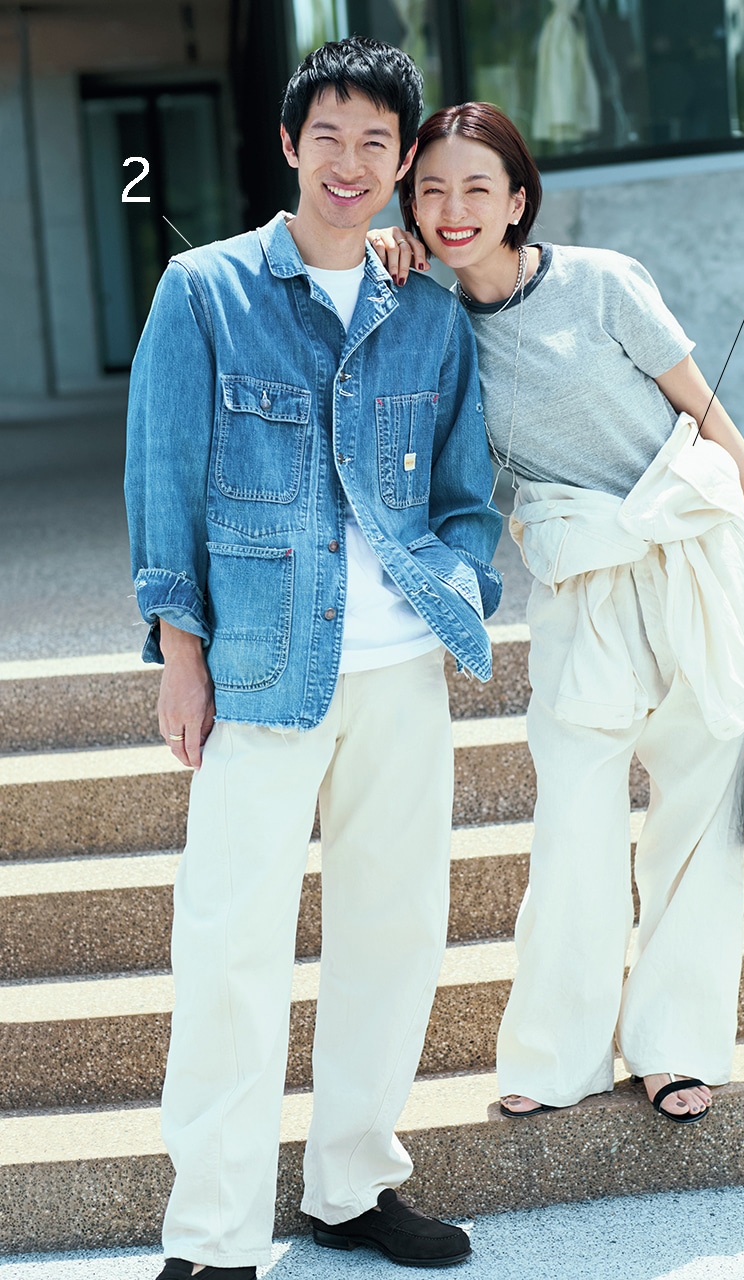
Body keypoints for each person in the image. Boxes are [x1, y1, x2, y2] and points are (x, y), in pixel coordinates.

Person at [125, 43, 502, 1279]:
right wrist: (181, 656)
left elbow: (465, 496)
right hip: (266, 667)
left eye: (377, 146)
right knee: (231, 948)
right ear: (289, 146)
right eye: (329, 137)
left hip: (400, 672)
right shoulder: (204, 289)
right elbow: (161, 485)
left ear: (401, 167)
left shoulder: (428, 309)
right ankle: (215, 1237)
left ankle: (351, 1187)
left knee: (395, 936)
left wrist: (456, 584)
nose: (353, 164)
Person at [369, 102, 744, 1126]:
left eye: (478, 187)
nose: (454, 208)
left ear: (519, 199)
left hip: (695, 563)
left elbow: (704, 409)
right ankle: (557, 1053)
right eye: (431, 191)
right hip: (578, 586)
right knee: (574, 830)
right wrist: (377, 263)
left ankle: (674, 1046)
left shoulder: (604, 281)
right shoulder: (424, 321)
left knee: (696, 823)